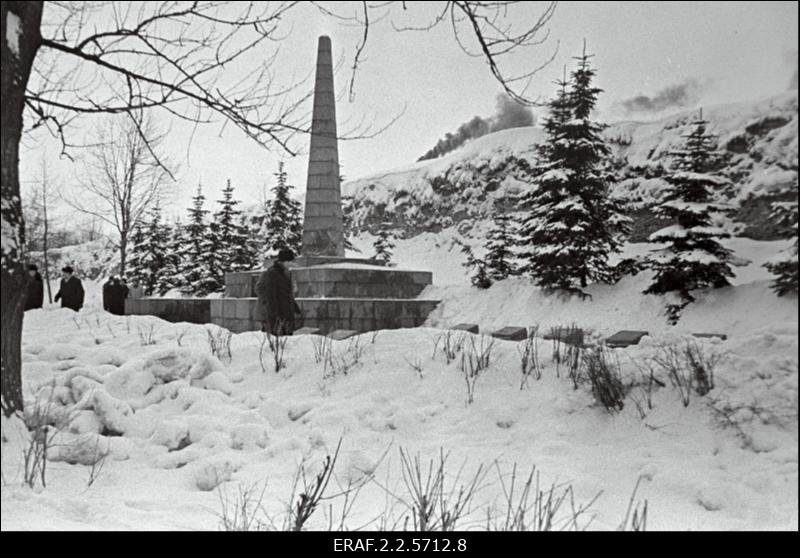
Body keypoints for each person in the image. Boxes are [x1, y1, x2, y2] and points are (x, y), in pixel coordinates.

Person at [256, 248, 299, 335]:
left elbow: (286, 294)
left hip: (285, 314)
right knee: (275, 338)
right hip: (275, 316)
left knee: (286, 339)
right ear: (285, 261)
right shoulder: (272, 274)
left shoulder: (286, 273)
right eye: (290, 261)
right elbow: (268, 295)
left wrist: (294, 307)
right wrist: (274, 314)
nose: (292, 264)